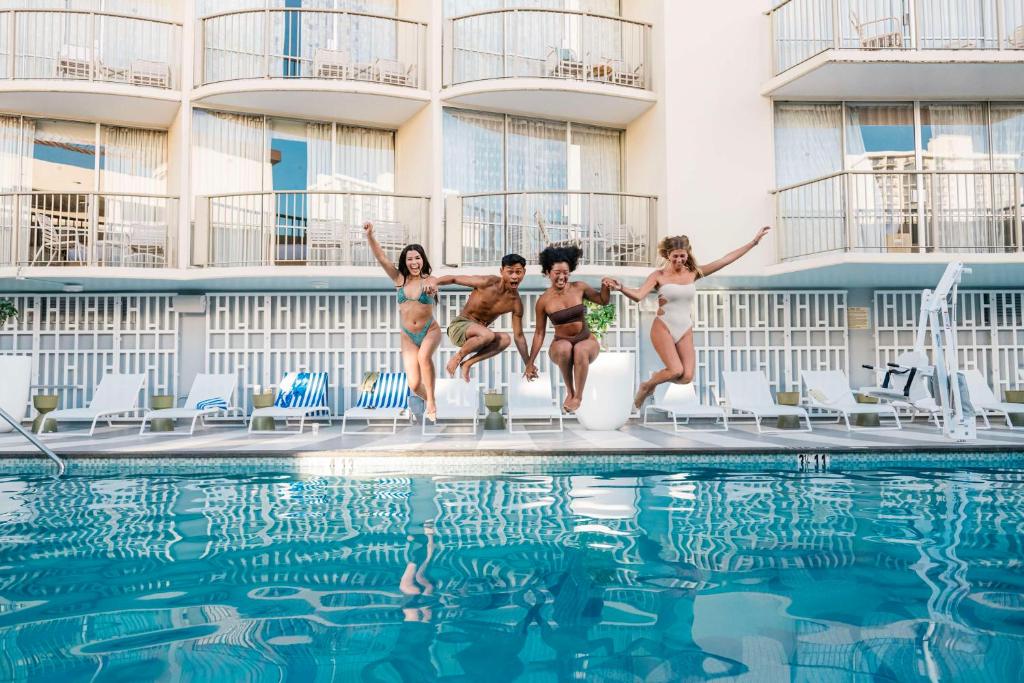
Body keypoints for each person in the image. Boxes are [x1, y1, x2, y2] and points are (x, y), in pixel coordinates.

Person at [605, 227, 771, 410]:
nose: (679, 260)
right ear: (668, 255)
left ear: (687, 254)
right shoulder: (658, 275)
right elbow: (638, 295)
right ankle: (645, 387)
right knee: (676, 370)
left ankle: (651, 382)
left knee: (686, 377)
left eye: (682, 256)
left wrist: (753, 242)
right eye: (675, 256)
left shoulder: (693, 273)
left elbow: (725, 260)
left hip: (685, 328)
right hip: (663, 326)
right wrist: (621, 287)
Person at [364, 221, 441, 422]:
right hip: (407, 335)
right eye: (410, 259)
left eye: (417, 258)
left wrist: (432, 289)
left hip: (429, 330)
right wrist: (370, 235)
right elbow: (381, 257)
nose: (414, 262)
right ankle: (429, 398)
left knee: (424, 358)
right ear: (405, 262)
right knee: (414, 385)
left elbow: (434, 286)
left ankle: (431, 402)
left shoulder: (429, 280)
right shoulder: (399, 280)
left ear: (423, 260)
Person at [524, 245, 611, 413]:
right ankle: (570, 391)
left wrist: (606, 286)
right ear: (548, 273)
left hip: (586, 341)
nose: (562, 276)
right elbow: (539, 333)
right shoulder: (543, 301)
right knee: (565, 348)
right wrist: (530, 363)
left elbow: (603, 300)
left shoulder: (579, 287)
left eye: (566, 272)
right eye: (557, 273)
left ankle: (578, 395)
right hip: (560, 343)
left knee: (579, 349)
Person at [427, 254, 533, 382]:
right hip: (459, 327)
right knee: (487, 334)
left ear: (524, 272)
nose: (514, 276)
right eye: (510, 272)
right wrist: (435, 282)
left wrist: (528, 363)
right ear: (501, 271)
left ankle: (467, 364)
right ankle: (457, 357)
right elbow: (454, 279)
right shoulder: (487, 282)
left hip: (478, 338)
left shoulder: (515, 303)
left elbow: (519, 336)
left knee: (505, 339)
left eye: (518, 272)